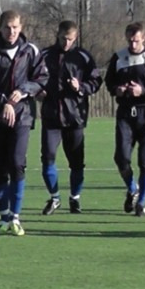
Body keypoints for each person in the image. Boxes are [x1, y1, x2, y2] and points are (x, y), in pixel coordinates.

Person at [0, 10, 49, 235]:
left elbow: (41, 77)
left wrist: (24, 90)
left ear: (21, 27)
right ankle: (4, 217)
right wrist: (4, 102)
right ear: (0, 27)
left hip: (22, 116)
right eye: (7, 27)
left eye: (15, 27)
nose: (12, 31)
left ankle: (15, 217)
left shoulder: (31, 51)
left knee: (17, 164)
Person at [37, 20, 102, 216]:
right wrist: (37, 91)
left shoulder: (83, 57)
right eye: (64, 39)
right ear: (58, 35)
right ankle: (54, 198)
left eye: (70, 39)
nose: (67, 43)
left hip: (75, 117)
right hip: (51, 117)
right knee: (48, 157)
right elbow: (32, 78)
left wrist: (80, 87)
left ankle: (75, 198)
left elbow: (96, 81)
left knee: (76, 162)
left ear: (76, 38)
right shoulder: (44, 55)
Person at [105, 22, 145, 217]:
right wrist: (117, 90)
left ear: (144, 38)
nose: (133, 44)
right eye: (130, 40)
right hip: (125, 113)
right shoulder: (118, 58)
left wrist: (143, 91)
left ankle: (141, 203)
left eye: (136, 40)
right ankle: (133, 188)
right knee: (121, 157)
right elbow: (109, 82)